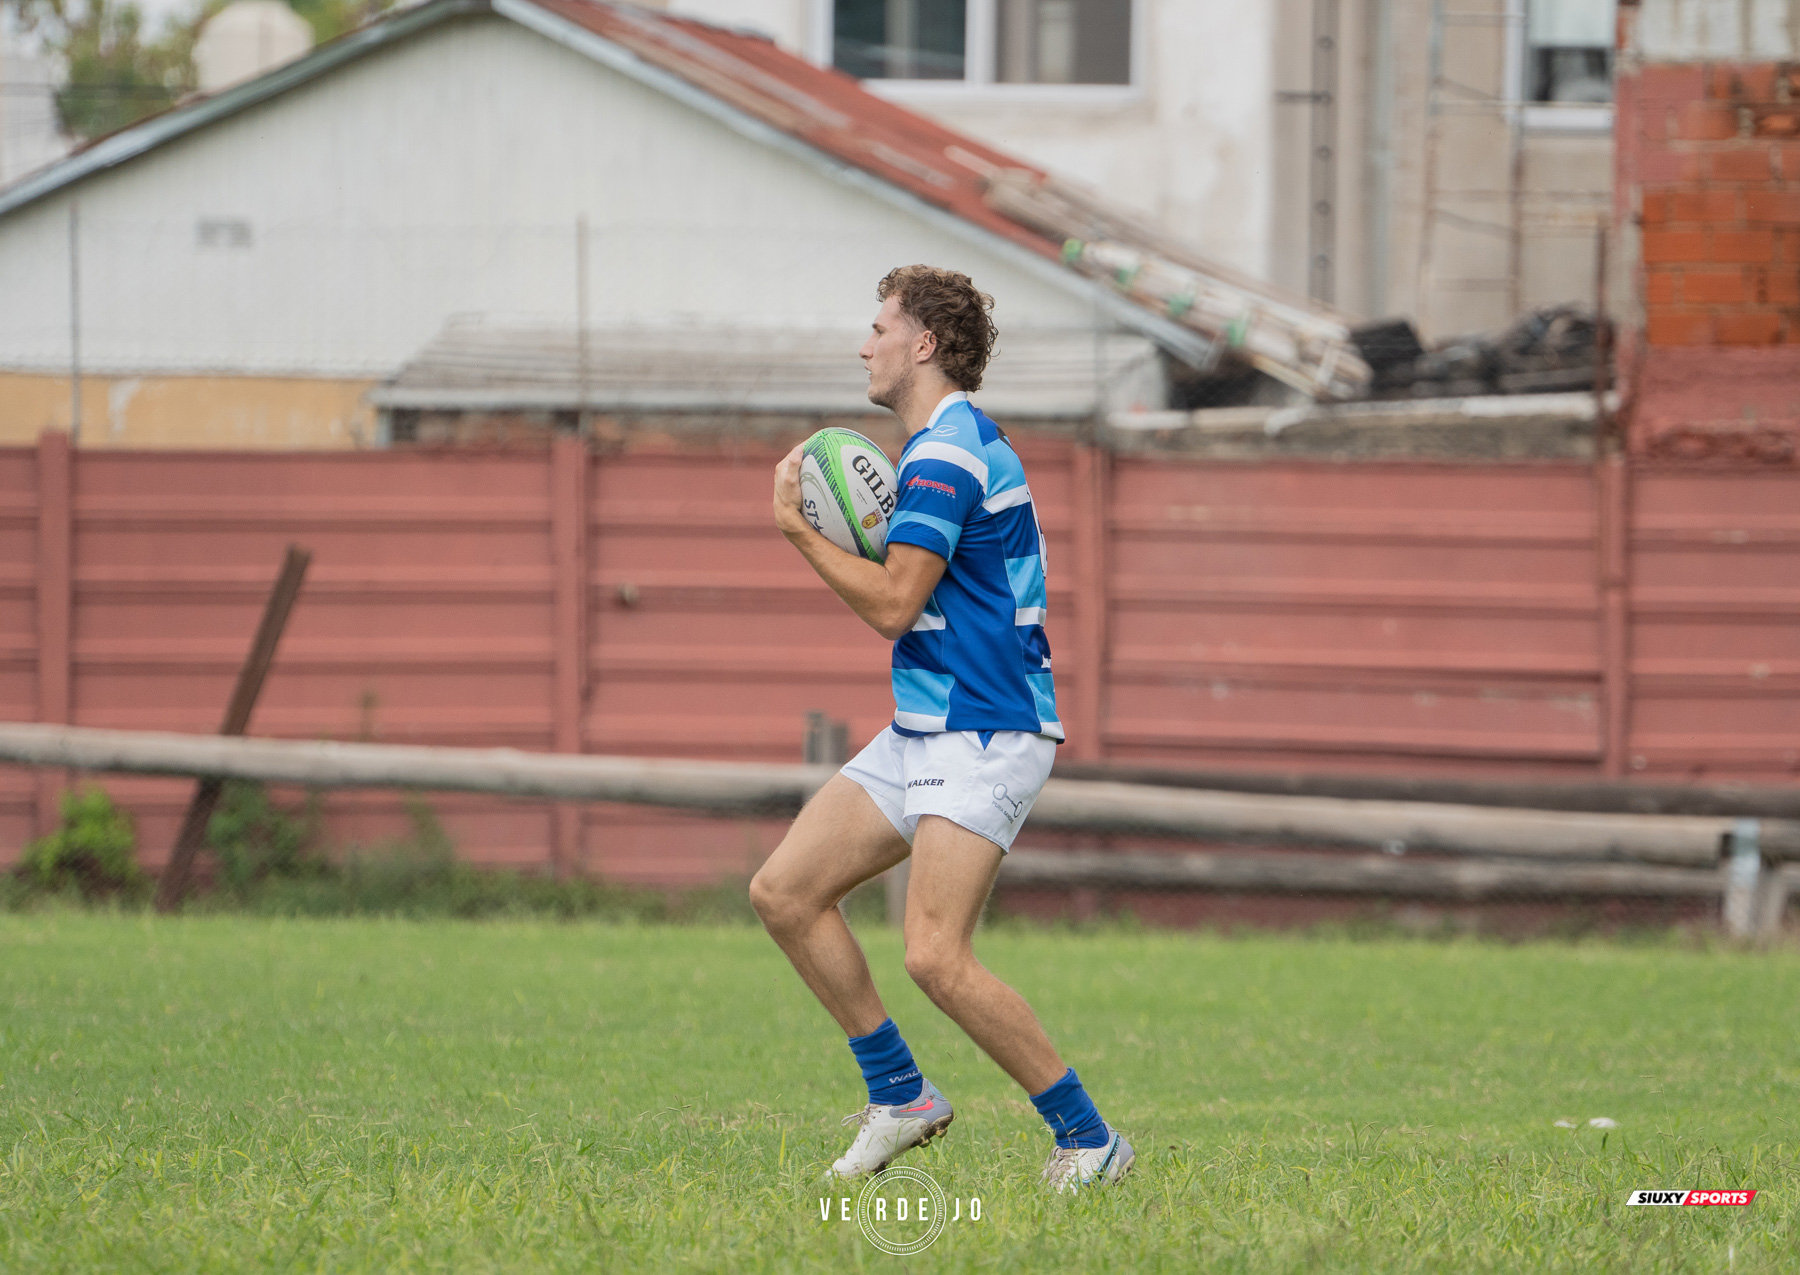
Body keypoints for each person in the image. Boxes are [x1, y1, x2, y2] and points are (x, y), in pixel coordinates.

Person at [749, 264, 1134, 1192]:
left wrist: (803, 533)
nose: (864, 342)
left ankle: (1090, 1141)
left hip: (987, 727)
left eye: (877, 326)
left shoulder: (948, 452)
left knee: (933, 953)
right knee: (786, 891)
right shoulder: (937, 445)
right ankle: (902, 1096)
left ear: (922, 344)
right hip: (928, 722)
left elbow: (892, 603)